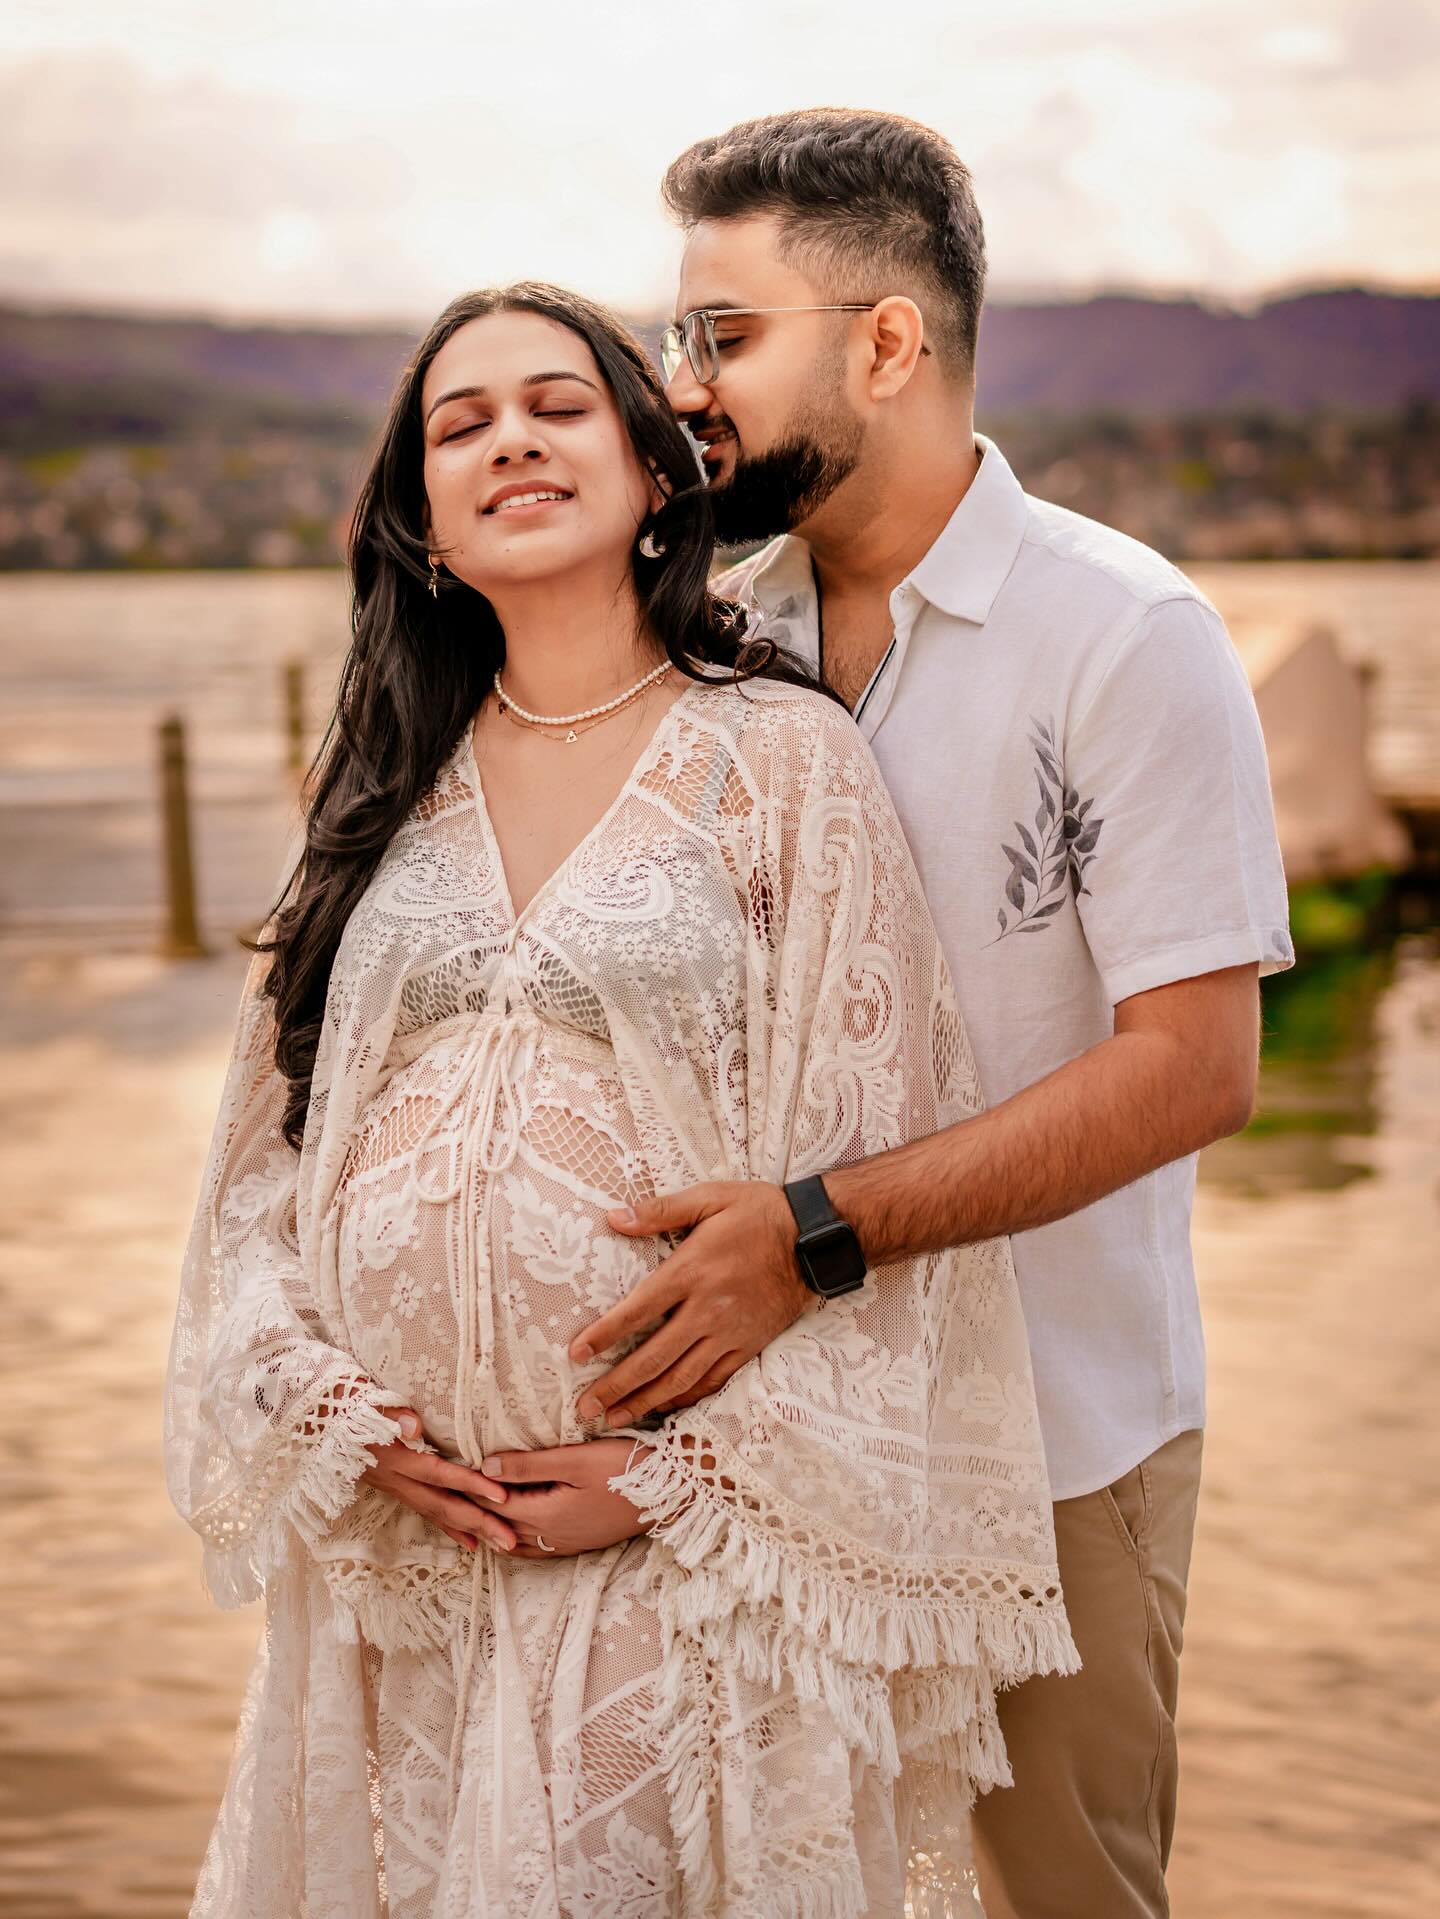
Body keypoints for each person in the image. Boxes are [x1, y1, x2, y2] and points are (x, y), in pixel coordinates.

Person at [164, 281, 1076, 1917]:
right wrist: (326, 1408)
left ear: (659, 475)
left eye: (557, 406)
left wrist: (674, 1484)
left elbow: (874, 1193)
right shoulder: (372, 781)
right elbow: (255, 1178)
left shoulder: (782, 765)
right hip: (404, 1571)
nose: (509, 438)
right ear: (425, 522)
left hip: (678, 1568)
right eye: (461, 425)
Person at [548, 111, 1294, 1919]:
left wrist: (809, 1239)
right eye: (676, 340)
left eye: (722, 339)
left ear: (886, 343)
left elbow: (1196, 1069)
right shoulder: (716, 634)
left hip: (1059, 1444)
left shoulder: (1128, 637)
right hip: (765, 1448)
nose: (679, 387)